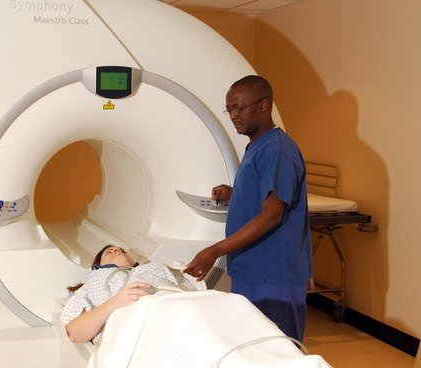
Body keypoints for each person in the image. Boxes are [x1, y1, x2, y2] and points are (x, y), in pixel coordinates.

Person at [183, 75, 312, 342]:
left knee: (278, 351)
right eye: (229, 109)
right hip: (251, 269)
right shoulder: (256, 146)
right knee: (253, 347)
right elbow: (265, 195)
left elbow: (272, 214)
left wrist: (216, 250)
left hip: (274, 275)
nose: (233, 115)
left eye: (239, 108)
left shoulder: (277, 150)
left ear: (263, 105)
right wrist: (234, 194)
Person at [61, 245, 198, 343]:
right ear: (96, 266)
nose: (117, 250)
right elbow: (75, 333)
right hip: (144, 326)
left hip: (183, 308)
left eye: (122, 250)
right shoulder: (91, 285)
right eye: (109, 251)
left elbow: (191, 292)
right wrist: (113, 303)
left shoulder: (154, 268)